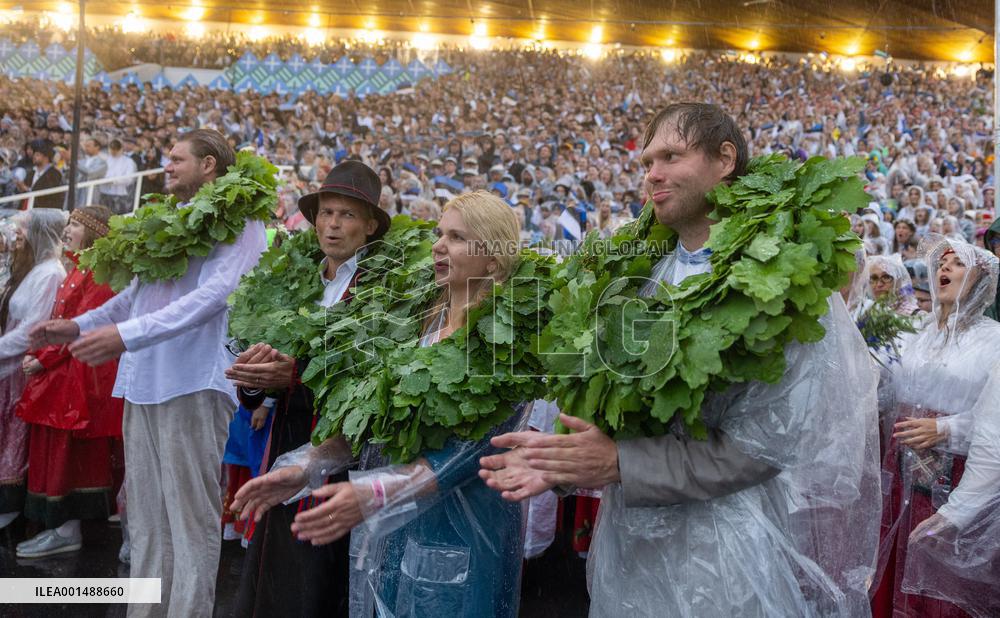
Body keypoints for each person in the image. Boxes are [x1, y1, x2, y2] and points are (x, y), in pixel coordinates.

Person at [479, 103, 881, 616]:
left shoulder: (783, 283)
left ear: (725, 159)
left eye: (671, 156)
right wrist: (560, 460)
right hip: (628, 550)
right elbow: (622, 413)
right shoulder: (645, 279)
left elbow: (760, 448)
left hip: (724, 557)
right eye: (647, 162)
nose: (653, 174)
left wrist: (620, 462)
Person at [232, 191, 529, 617]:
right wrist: (308, 465)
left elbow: (465, 456)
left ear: (494, 259)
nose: (439, 246)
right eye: (439, 234)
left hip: (462, 546)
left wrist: (369, 492)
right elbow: (377, 423)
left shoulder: (508, 341)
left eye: (458, 238)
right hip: (394, 537)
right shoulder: (423, 323)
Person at [28, 129, 267, 618]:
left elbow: (214, 297)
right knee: (146, 520)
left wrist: (127, 336)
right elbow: (136, 294)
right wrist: (78, 325)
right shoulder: (167, 218)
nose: (166, 165)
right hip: (143, 382)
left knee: (189, 517)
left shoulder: (244, 222)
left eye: (178, 158)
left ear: (210, 166)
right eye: (166, 157)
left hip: (192, 382)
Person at [227, 160, 390, 618]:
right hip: (286, 438)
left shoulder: (380, 288)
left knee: (315, 574)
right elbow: (273, 369)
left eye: (347, 215)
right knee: (274, 568)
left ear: (371, 226)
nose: (332, 224)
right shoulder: (301, 281)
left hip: (337, 449)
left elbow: (369, 375)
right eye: (326, 213)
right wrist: (255, 382)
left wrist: (295, 376)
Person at [872, 235, 1000, 617]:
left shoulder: (994, 341)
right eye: (941, 262)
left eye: (957, 263)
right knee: (895, 578)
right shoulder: (914, 332)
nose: (944, 267)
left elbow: (994, 426)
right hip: (900, 481)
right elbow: (871, 379)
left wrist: (946, 429)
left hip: (956, 483)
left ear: (983, 279)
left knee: (941, 593)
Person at [14, 205, 123, 558]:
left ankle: (66, 529)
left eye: (76, 224)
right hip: (66, 376)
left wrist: (42, 358)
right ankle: (60, 527)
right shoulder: (79, 268)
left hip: (80, 380)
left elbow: (83, 325)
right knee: (58, 453)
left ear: (92, 232)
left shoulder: (98, 274)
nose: (68, 229)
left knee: (71, 456)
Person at [0, 209, 67, 530]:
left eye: (24, 230)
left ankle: (10, 507)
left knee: (15, 438)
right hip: (9, 367)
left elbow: (32, 328)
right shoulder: (34, 268)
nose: (17, 236)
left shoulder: (50, 274)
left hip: (21, 368)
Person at [848, 254, 921, 320]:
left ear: (899, 281)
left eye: (886, 277)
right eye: (874, 278)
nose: (879, 284)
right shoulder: (864, 313)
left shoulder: (913, 315)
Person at [18, 139, 64, 209]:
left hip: (43, 211)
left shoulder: (54, 173)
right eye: (34, 154)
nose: (34, 157)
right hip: (25, 209)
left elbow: (49, 194)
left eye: (37, 155)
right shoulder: (31, 172)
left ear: (46, 158)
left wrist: (28, 190)